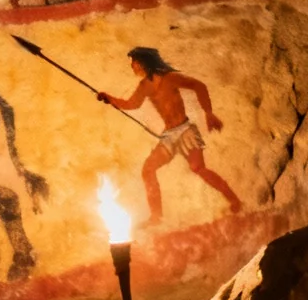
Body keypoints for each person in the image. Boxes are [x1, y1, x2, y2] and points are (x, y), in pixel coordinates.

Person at [98, 47, 244, 221]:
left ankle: (235, 201)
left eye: (134, 63)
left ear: (143, 62)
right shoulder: (144, 86)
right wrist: (110, 98)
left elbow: (199, 86)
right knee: (148, 170)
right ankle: (156, 217)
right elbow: (131, 104)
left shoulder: (170, 78)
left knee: (198, 168)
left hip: (185, 130)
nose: (132, 67)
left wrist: (209, 113)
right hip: (169, 135)